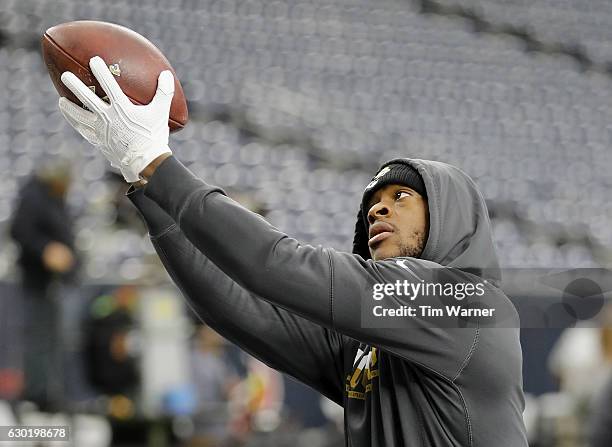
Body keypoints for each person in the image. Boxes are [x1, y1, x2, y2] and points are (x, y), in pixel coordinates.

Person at [56, 56, 528, 446]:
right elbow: (241, 310)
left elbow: (274, 263)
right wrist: (149, 193)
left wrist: (158, 165)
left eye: (400, 198)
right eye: (372, 205)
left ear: (452, 214)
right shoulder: (374, 342)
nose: (377, 213)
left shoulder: (466, 304)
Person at [9, 158, 77, 409]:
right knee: (38, 338)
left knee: (53, 339)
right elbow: (19, 230)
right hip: (37, 281)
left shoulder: (54, 198)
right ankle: (36, 395)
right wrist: (46, 249)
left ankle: (49, 393)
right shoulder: (35, 195)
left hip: (56, 283)